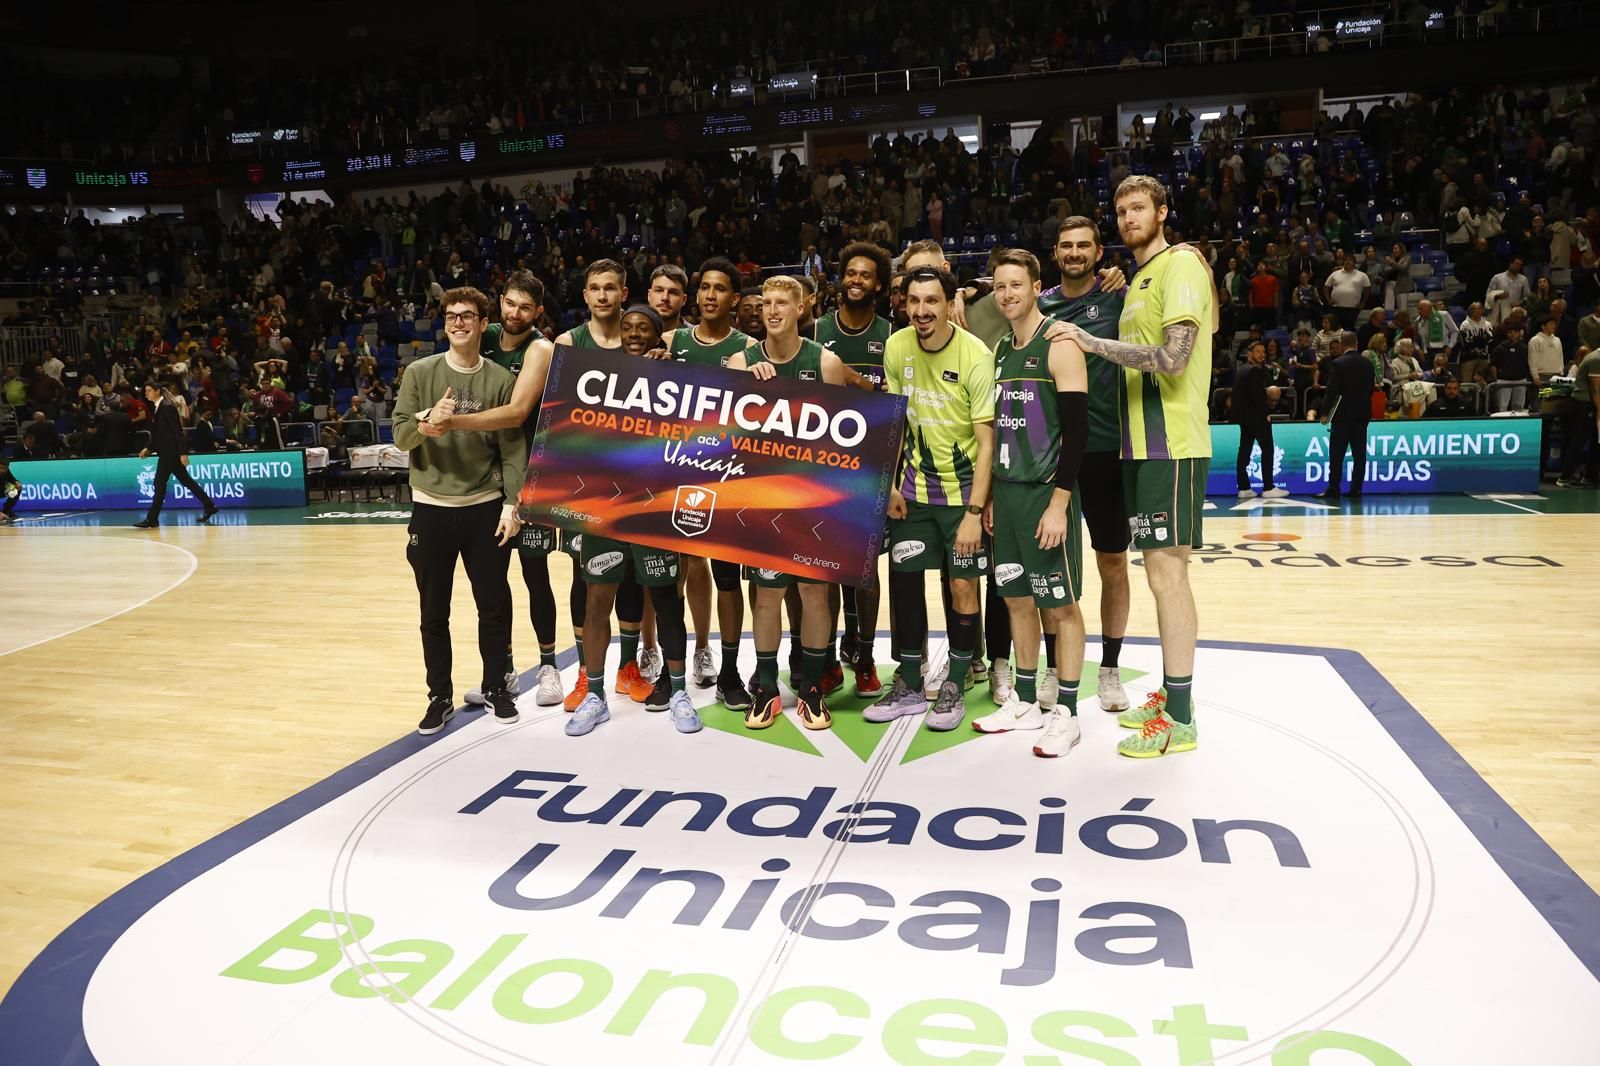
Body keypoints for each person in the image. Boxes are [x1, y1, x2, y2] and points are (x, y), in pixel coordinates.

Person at [1055, 175, 1215, 759]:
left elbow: (1174, 359)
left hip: (1171, 444)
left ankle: (1181, 717)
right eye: (1121, 210)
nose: (1129, 218)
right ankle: (1173, 698)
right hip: (1136, 447)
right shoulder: (1139, 278)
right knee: (1157, 573)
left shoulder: (1182, 266)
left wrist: (1093, 345)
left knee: (1169, 575)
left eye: (1139, 208)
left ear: (1163, 212)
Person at [969, 248, 1091, 759]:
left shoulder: (1060, 344)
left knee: (1059, 606)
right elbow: (1000, 431)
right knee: (1016, 599)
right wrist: (993, 493)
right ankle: (1021, 700)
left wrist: (1060, 503)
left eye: (1015, 284)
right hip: (1010, 495)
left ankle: (1067, 711)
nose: (1006, 294)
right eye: (999, 286)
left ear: (1036, 287)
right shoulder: (1000, 349)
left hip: (1046, 496)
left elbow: (1078, 432)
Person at [864, 266, 995, 732]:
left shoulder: (976, 355)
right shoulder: (897, 347)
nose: (921, 310)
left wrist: (975, 514)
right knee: (904, 583)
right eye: (913, 301)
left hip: (961, 498)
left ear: (948, 304)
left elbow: (987, 442)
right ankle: (909, 682)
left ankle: (956, 681)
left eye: (931, 301)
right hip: (913, 495)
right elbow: (896, 423)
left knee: (962, 586)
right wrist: (892, 484)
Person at [392, 286, 527, 735]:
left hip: (484, 508)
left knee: (493, 605)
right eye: (451, 316)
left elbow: (511, 449)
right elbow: (400, 437)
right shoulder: (419, 372)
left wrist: (512, 504)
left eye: (467, 316)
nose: (458, 323)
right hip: (430, 508)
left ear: (483, 323)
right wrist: (426, 421)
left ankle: (495, 686)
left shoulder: (500, 381)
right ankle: (439, 696)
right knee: (434, 610)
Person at [563, 304, 700, 738]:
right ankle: (596, 696)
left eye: (645, 328)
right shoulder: (599, 379)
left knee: (665, 602)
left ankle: (678, 692)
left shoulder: (674, 378)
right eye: (629, 328)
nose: (635, 334)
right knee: (597, 599)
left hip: (656, 507)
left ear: (660, 336)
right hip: (606, 507)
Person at [726, 277, 847, 733]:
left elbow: (844, 439)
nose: (773, 310)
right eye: (766, 303)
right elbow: (729, 436)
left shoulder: (826, 362)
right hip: (762, 499)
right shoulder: (742, 361)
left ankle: (812, 687)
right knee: (768, 594)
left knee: (815, 593)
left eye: (782, 303)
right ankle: (766, 687)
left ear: (802, 307)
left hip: (814, 500)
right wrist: (747, 389)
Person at [1033, 216, 1136, 715]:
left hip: (1108, 451)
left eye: (1084, 246)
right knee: (1056, 568)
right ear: (1055, 252)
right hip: (1053, 457)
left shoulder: (1120, 297)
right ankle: (1055, 666)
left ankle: (1111, 669)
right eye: (1066, 246)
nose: (1074, 253)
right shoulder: (1039, 305)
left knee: (1112, 562)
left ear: (1099, 253)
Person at [464, 271, 563, 710]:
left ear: (537, 312)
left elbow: (517, 411)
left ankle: (548, 668)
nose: (515, 313)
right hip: (488, 474)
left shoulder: (540, 347)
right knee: (492, 579)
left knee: (535, 573)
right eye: (510, 304)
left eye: (525, 307)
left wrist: (455, 421)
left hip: (533, 474)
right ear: (499, 301)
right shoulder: (483, 341)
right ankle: (502, 669)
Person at [656, 257, 753, 708]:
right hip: (678, 469)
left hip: (730, 475)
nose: (711, 295)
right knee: (677, 571)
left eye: (720, 289)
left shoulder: (749, 347)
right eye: (705, 288)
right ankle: (680, 660)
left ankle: (729, 668)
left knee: (726, 575)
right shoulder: (672, 340)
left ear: (734, 298)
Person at [813, 242, 895, 697]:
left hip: (869, 466)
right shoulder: (818, 330)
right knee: (824, 570)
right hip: (823, 469)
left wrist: (856, 381)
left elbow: (894, 403)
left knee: (865, 571)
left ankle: (865, 658)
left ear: (879, 284)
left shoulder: (891, 334)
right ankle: (826, 659)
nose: (857, 281)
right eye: (851, 274)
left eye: (866, 275)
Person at [132, 383, 218, 528]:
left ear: (158, 391)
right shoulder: (158, 408)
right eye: (145, 391)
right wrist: (148, 448)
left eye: (149, 391)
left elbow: (177, 432)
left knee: (159, 485)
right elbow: (159, 434)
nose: (146, 393)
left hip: (170, 454)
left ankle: (152, 518)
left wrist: (183, 453)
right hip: (167, 453)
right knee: (187, 482)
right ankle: (209, 506)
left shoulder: (167, 407)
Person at [1233, 341, 1290, 499]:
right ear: (1249, 353)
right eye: (1258, 351)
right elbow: (1257, 396)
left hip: (1244, 418)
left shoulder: (1242, 369)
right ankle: (1268, 487)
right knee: (1268, 450)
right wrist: (1266, 413)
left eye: (1263, 352)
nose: (1262, 354)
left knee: (1244, 450)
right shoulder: (1253, 371)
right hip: (1257, 418)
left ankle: (1244, 488)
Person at [1321, 331, 1373, 499]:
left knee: (1337, 455)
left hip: (1342, 416)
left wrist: (1325, 412)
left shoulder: (1338, 363)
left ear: (1342, 345)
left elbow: (1331, 391)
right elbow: (1370, 390)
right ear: (1356, 343)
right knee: (1359, 455)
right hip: (1361, 415)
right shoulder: (1368, 363)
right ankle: (1356, 489)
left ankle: (1334, 488)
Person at [1555, 346, 1600, 488]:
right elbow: (1595, 389)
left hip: (1591, 403)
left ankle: (1591, 477)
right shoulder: (1596, 359)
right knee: (1578, 440)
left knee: (1596, 440)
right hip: (1583, 403)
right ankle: (1565, 477)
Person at [0, 458, 21, 524]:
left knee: (17, 488)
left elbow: (13, 480)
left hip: (2, 488)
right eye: (0, 468)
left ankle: (6, 511)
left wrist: (17, 482)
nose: (2, 470)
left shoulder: (6, 471)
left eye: (5, 468)